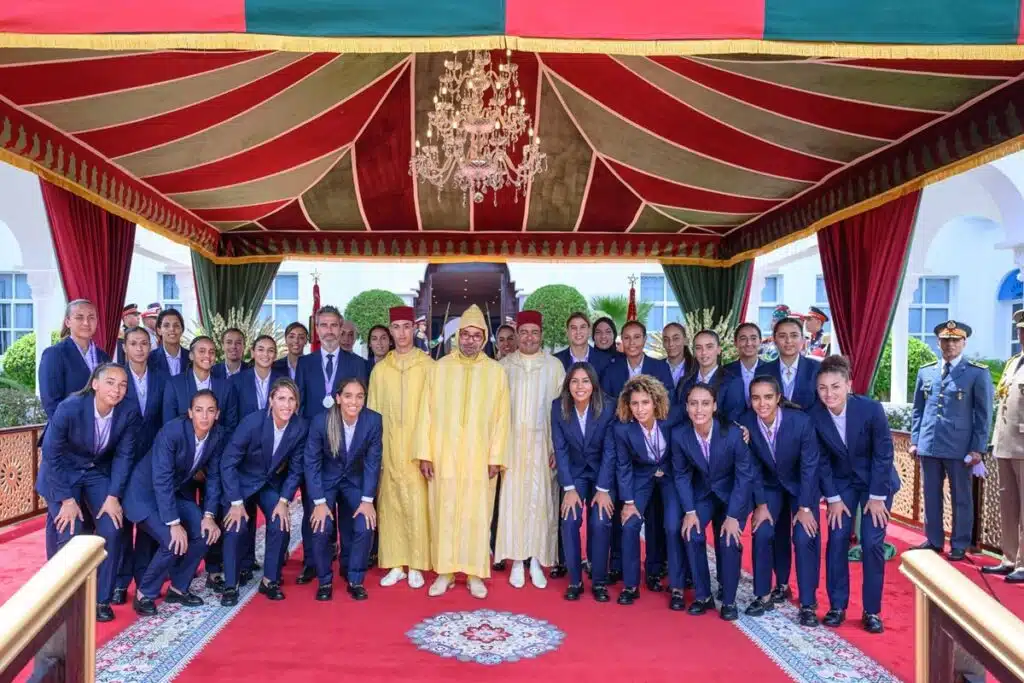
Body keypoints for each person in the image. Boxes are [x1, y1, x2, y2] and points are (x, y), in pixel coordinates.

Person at [416, 304, 511, 599]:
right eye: (465, 335)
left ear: (483, 338)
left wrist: (496, 457)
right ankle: (444, 572)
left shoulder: (496, 372)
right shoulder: (439, 368)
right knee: (444, 512)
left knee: (477, 515)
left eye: (476, 335)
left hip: (479, 458)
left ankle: (474, 574)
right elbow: (425, 413)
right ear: (457, 336)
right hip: (443, 455)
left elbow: (502, 419)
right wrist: (425, 453)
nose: (470, 340)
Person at [37, 363, 141, 622]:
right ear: (95, 384)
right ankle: (64, 601)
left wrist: (113, 496)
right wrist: (66, 499)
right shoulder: (70, 407)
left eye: (123, 384)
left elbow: (125, 456)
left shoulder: (128, 411)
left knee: (113, 527)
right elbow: (51, 454)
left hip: (95, 472)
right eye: (110, 382)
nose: (117, 389)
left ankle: (101, 600)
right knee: (69, 528)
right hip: (62, 472)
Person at [810, 355, 901, 633]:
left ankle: (871, 611)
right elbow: (821, 461)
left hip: (876, 482)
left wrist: (877, 496)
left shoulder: (871, 409)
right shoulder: (814, 415)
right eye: (823, 388)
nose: (829, 394)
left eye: (835, 387)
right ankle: (837, 606)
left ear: (848, 385)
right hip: (841, 484)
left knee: (872, 543)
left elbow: (884, 453)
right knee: (837, 538)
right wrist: (833, 499)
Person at [122, 391, 225, 616]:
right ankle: (144, 594)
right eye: (199, 410)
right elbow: (161, 479)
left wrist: (209, 516)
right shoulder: (172, 432)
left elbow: (215, 477)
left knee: (205, 533)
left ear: (217, 414)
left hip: (172, 493)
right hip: (144, 495)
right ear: (190, 413)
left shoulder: (217, 434)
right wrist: (174, 523)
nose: (204, 416)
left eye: (210, 411)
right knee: (173, 541)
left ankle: (178, 588)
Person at [294, 305, 369, 584]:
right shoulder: (305, 364)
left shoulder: (357, 363)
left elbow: (361, 406)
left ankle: (348, 564)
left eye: (334, 325)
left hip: (349, 452)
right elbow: (299, 407)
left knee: (349, 513)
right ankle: (312, 562)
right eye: (323, 325)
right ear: (317, 329)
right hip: (317, 451)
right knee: (314, 509)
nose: (328, 331)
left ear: (340, 328)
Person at [740, 376, 821, 625]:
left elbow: (809, 466)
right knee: (762, 530)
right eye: (756, 398)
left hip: (801, 487)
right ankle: (764, 594)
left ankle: (807, 603)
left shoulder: (801, 422)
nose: (762, 403)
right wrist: (761, 505)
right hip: (769, 486)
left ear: (778, 398)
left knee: (804, 536)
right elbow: (751, 467)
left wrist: (805, 507)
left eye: (767, 397)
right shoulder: (746, 423)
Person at [910, 320, 993, 561]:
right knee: (931, 495)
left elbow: (984, 414)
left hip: (960, 446)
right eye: (946, 340)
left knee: (961, 497)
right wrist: (915, 440)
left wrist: (977, 448)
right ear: (938, 343)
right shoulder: (926, 371)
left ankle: (959, 543)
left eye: (955, 340)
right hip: (930, 444)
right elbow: (918, 409)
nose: (950, 345)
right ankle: (934, 540)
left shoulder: (977, 373)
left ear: (964, 343)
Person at [221, 379, 308, 605]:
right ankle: (230, 584)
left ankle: (270, 580)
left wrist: (284, 500)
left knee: (280, 522)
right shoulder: (252, 422)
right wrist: (236, 502)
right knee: (235, 525)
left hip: (268, 484)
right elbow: (228, 463)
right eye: (281, 398)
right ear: (271, 400)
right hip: (241, 482)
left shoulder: (300, 427)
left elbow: (296, 469)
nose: (286, 405)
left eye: (291, 399)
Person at [601, 320, 674, 589]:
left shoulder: (659, 367)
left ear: (644, 339)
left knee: (656, 516)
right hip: (626, 448)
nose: (632, 343)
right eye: (627, 338)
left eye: (637, 337)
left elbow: (668, 407)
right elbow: (607, 408)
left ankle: (654, 568)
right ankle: (618, 564)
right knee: (624, 513)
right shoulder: (612, 370)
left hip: (657, 455)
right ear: (621, 341)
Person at [495, 311, 565, 588]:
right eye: (523, 332)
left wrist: (557, 448)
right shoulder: (503, 367)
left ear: (541, 335)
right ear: (516, 335)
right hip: (511, 446)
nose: (529, 337)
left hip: (543, 446)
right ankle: (516, 561)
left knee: (540, 502)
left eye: (534, 332)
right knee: (513, 502)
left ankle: (536, 559)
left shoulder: (554, 367)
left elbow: (562, 412)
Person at [673, 383, 754, 621]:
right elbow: (681, 475)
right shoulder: (680, 435)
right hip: (704, 494)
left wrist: (733, 516)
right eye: (694, 404)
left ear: (715, 406)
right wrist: (690, 511)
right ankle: (703, 596)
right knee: (691, 533)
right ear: (686, 407)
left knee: (728, 539)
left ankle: (728, 600)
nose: (699, 409)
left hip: (733, 495)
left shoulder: (734, 434)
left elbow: (744, 477)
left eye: (705, 403)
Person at [369, 306, 433, 589]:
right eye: (397, 327)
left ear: (415, 329)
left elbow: (436, 413)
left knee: (418, 505)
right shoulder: (380, 370)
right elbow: (372, 414)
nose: (402, 333)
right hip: (389, 447)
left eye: (407, 326)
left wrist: (428, 451)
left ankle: (417, 563)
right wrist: (374, 453)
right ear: (391, 331)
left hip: (419, 449)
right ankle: (396, 564)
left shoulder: (429, 366)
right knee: (390, 504)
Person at [305, 378, 383, 601]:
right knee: (321, 527)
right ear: (338, 398)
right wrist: (319, 502)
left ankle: (355, 579)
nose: (353, 402)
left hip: (355, 481)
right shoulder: (321, 421)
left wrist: (367, 500)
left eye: (359, 396)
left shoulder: (373, 420)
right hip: (326, 481)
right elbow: (311, 462)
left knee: (365, 524)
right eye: (348, 396)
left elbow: (373, 462)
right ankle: (324, 581)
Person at [613, 375, 684, 609]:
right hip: (641, 477)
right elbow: (623, 466)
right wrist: (628, 502)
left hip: (671, 476)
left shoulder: (672, 418)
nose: (640, 409)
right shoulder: (623, 429)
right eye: (634, 403)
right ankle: (630, 585)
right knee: (630, 524)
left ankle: (677, 587)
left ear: (655, 402)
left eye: (645, 402)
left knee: (672, 526)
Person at [111, 327, 170, 605]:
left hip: (151, 461)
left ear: (151, 346)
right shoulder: (117, 378)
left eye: (144, 343)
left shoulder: (161, 378)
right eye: (133, 343)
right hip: (121, 458)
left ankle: (144, 578)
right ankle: (120, 582)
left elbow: (164, 420)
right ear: (125, 348)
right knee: (122, 524)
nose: (139, 348)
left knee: (147, 521)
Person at [551, 362, 616, 602]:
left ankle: (599, 581)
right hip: (575, 474)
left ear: (593, 384)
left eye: (585, 381)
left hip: (601, 474)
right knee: (569, 520)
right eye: (575, 381)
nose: (580, 386)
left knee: (600, 521)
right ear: (568, 384)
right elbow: (560, 449)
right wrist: (568, 488)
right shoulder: (558, 407)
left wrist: (603, 489)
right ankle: (575, 581)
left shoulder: (608, 406)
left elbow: (610, 450)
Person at [987, 309, 1024, 583]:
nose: (1021, 335)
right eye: (1020, 330)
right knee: (1008, 505)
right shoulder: (1014, 363)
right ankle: (1009, 558)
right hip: (1006, 444)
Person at [40, 299, 112, 419]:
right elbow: (51, 402)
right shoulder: (54, 354)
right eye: (79, 317)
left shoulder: (104, 357)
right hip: (68, 427)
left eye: (91, 317)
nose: (86, 323)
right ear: (68, 322)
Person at [162, 336, 237, 429]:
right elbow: (169, 426)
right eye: (202, 351)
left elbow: (230, 426)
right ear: (191, 355)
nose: (207, 356)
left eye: (211, 352)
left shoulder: (226, 387)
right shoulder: (174, 384)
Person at [676, 330, 745, 421]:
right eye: (698, 348)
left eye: (709, 347)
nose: (704, 352)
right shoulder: (684, 382)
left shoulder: (733, 382)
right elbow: (678, 416)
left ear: (719, 350)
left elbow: (733, 420)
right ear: (694, 352)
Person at [765, 317, 819, 411]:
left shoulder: (817, 369)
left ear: (802, 339)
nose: (788, 341)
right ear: (774, 340)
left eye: (794, 335)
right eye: (782, 336)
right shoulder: (763, 371)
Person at [723, 322, 768, 405]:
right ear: (735, 342)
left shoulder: (771, 370)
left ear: (760, 341)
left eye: (753, 338)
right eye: (743, 339)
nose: (748, 343)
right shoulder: (725, 372)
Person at [555, 312, 611, 377]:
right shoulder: (556, 361)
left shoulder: (605, 361)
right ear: (567, 332)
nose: (578, 332)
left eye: (582, 327)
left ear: (589, 331)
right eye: (573, 328)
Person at [148, 309, 189, 377]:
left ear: (182, 329)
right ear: (159, 330)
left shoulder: (192, 358)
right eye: (166, 325)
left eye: (176, 325)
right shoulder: (149, 359)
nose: (172, 329)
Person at [662, 322, 695, 390]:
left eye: (676, 338)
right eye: (666, 339)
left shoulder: (696, 368)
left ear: (686, 341)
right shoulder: (655, 367)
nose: (671, 344)